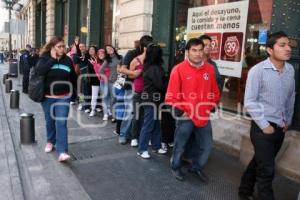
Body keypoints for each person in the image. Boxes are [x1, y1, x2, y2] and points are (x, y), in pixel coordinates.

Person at [238, 31, 295, 200]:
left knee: (260, 162)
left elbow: (291, 96)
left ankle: (244, 190)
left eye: (289, 45)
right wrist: (265, 126)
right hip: (262, 128)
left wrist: (288, 119)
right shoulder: (258, 70)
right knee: (267, 170)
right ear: (270, 50)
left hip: (280, 128)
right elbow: (249, 101)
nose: (288, 48)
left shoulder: (290, 69)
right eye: (282, 45)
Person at [165, 38, 220, 182]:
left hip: (203, 115)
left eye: (200, 50)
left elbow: (215, 91)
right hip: (186, 115)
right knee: (180, 145)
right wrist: (182, 111)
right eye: (194, 50)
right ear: (188, 52)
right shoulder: (178, 69)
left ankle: (196, 168)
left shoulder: (209, 68)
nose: (197, 54)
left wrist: (210, 105)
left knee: (206, 146)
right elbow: (171, 95)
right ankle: (175, 166)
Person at [35, 36, 77, 162]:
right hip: (47, 98)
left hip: (63, 97)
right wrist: (52, 59)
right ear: (52, 47)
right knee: (49, 121)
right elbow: (40, 71)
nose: (62, 49)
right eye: (59, 46)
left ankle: (62, 151)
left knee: (61, 123)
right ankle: (50, 141)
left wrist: (74, 95)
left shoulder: (68, 60)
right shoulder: (45, 58)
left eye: (63, 46)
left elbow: (73, 78)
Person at [118, 36, 153, 145]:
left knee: (140, 113)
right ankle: (123, 134)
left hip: (145, 88)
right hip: (130, 86)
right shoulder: (131, 53)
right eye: (147, 46)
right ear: (142, 46)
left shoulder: (151, 55)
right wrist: (134, 73)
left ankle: (136, 136)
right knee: (130, 112)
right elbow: (121, 69)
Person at [137, 43, 167, 158]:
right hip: (152, 100)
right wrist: (167, 80)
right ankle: (142, 149)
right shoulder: (155, 68)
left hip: (150, 99)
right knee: (149, 124)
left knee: (154, 124)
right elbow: (161, 85)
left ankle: (156, 146)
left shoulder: (149, 66)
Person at [99, 45, 122, 122]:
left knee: (118, 98)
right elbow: (100, 71)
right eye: (107, 49)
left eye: (110, 48)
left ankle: (119, 114)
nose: (110, 49)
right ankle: (114, 116)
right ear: (107, 52)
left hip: (120, 81)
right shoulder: (107, 60)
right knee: (113, 99)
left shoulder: (120, 57)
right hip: (112, 82)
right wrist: (106, 78)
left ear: (113, 48)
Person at [75, 43, 91, 113]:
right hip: (81, 74)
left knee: (87, 90)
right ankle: (81, 103)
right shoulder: (77, 56)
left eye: (83, 46)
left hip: (89, 74)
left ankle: (87, 106)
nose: (82, 48)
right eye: (80, 47)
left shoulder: (89, 54)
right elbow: (76, 67)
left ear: (85, 47)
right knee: (81, 91)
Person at [87, 45, 101, 117]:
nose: (91, 50)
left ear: (96, 50)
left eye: (92, 49)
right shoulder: (89, 58)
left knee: (105, 95)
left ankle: (105, 110)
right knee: (94, 96)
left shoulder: (100, 58)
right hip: (94, 80)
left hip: (102, 79)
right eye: (90, 49)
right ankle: (93, 109)